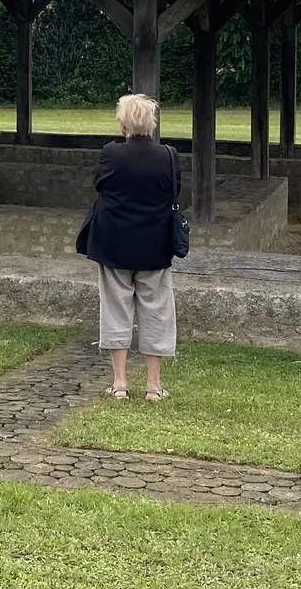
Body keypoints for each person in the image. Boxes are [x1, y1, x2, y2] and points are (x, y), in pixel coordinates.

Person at [76, 93, 179, 401]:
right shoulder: (169, 155)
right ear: (151, 123)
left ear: (123, 123)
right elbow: (174, 191)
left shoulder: (111, 153)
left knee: (115, 309)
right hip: (155, 245)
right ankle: (153, 385)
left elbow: (100, 183)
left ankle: (120, 382)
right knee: (157, 310)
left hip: (114, 243)